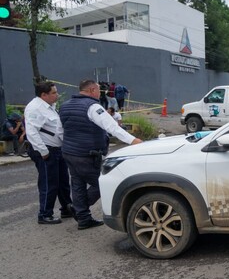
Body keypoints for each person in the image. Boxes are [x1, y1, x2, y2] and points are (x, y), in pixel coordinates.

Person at [60, 79, 143, 230]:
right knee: (103, 181)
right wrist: (133, 140)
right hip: (86, 154)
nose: (101, 93)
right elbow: (112, 127)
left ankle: (83, 218)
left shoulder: (65, 106)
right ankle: (79, 208)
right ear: (92, 90)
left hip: (69, 152)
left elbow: (61, 130)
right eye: (99, 90)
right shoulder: (92, 106)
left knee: (77, 183)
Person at [24, 81, 74, 224]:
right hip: (47, 150)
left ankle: (67, 208)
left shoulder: (50, 107)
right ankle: (45, 214)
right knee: (49, 183)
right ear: (43, 95)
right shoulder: (35, 108)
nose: (57, 95)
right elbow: (32, 132)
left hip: (57, 149)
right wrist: (43, 151)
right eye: (54, 93)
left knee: (63, 181)